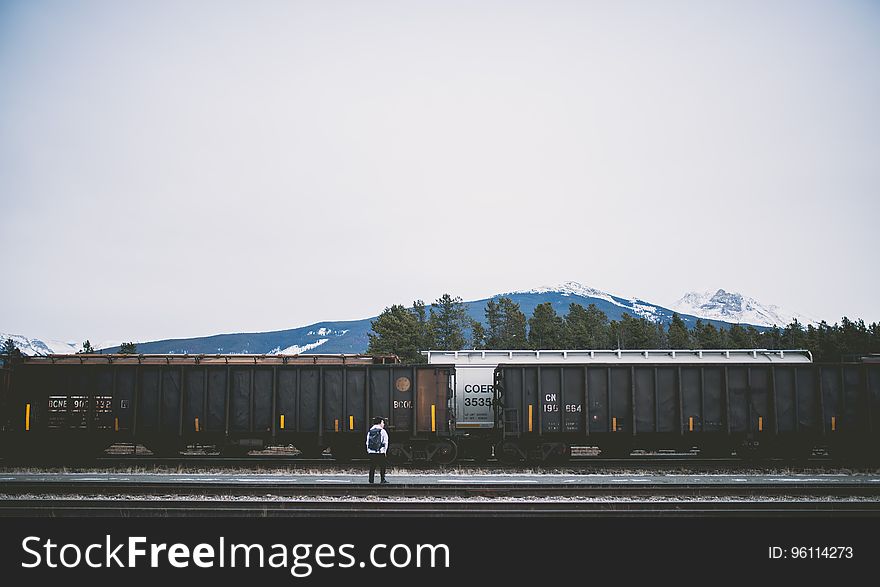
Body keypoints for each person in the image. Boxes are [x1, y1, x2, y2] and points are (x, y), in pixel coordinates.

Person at [366, 416, 389, 484]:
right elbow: (385, 442)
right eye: (382, 422)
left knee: (372, 466)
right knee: (382, 466)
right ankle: (382, 480)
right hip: (380, 452)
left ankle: (371, 480)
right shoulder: (382, 431)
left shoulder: (370, 431)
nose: (383, 424)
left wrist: (369, 450)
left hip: (372, 452)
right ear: (380, 423)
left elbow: (367, 442)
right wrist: (385, 451)